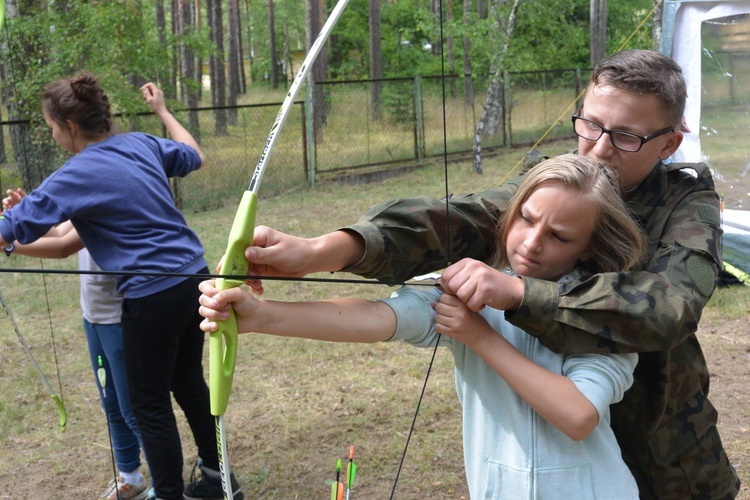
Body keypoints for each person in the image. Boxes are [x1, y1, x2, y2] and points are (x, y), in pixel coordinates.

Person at [228, 49, 740, 499]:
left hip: (666, 456)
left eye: (626, 136)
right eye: (589, 124)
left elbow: (667, 309)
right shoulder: (560, 187)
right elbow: (459, 220)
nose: (598, 149)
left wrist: (516, 294)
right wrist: (323, 252)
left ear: (668, 145)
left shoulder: (686, 204)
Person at [198, 155, 644, 498]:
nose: (532, 242)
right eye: (526, 218)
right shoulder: (473, 284)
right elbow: (383, 317)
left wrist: (479, 337)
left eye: (560, 236)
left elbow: (579, 415)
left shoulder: (604, 309)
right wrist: (264, 316)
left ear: (588, 248)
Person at [0, 74, 243, 500]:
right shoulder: (141, 144)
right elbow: (193, 156)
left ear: (70, 126)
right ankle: (219, 479)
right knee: (187, 382)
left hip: (152, 296)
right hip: (194, 280)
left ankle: (170, 494)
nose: (53, 134)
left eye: (52, 127)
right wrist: (163, 113)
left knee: (149, 406)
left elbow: (10, 228)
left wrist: (11, 231)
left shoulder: (77, 173)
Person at [0, 205, 148, 500]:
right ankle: (131, 476)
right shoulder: (86, 192)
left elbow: (63, 246)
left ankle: (164, 483)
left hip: (120, 318)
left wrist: (9, 242)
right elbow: (57, 230)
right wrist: (25, 213)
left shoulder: (108, 189)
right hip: (93, 315)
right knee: (112, 405)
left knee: (135, 410)